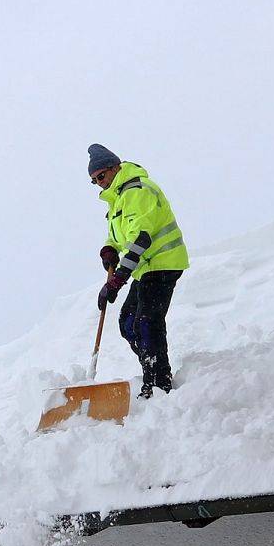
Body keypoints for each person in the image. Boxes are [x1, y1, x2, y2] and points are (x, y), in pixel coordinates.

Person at [89, 143, 189, 397]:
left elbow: (140, 238)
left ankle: (158, 382)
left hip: (163, 262)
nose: (99, 183)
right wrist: (109, 249)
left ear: (115, 168)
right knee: (128, 322)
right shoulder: (118, 199)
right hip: (147, 268)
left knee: (146, 322)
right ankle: (154, 370)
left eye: (101, 176)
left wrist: (117, 280)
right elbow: (119, 236)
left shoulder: (137, 191)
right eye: (94, 180)